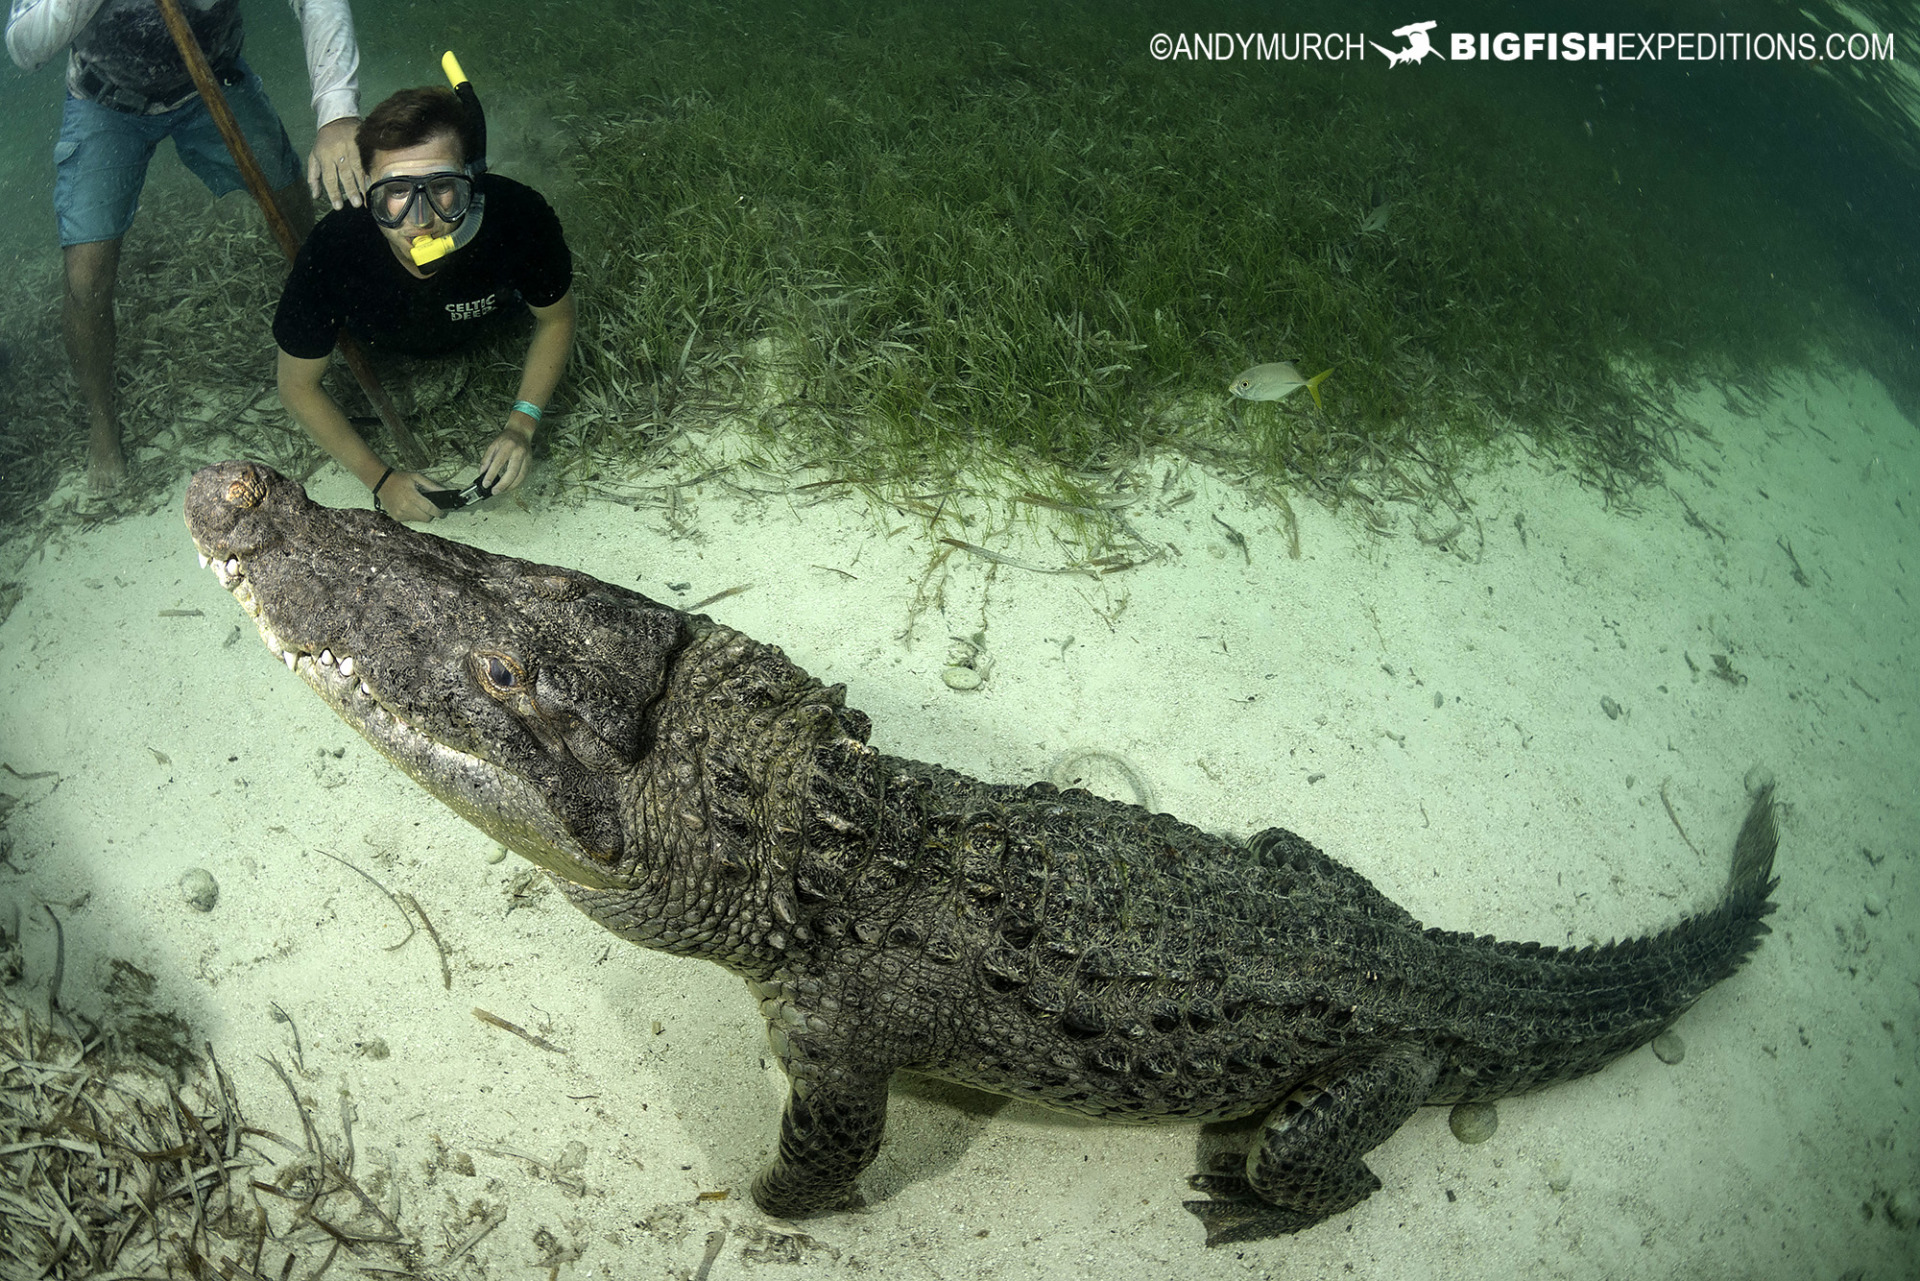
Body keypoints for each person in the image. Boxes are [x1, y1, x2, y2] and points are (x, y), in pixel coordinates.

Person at [6, 0, 366, 492]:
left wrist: (337, 111)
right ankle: (102, 420)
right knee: (86, 276)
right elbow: (23, 47)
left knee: (290, 208)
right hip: (104, 101)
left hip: (214, 77)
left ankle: (330, 329)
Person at [272, 82, 574, 524]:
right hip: (385, 343)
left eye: (442, 187)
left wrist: (521, 424)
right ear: (366, 190)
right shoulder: (334, 252)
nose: (420, 219)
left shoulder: (518, 218)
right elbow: (296, 386)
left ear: (471, 181)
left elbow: (557, 319)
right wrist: (381, 480)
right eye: (395, 191)